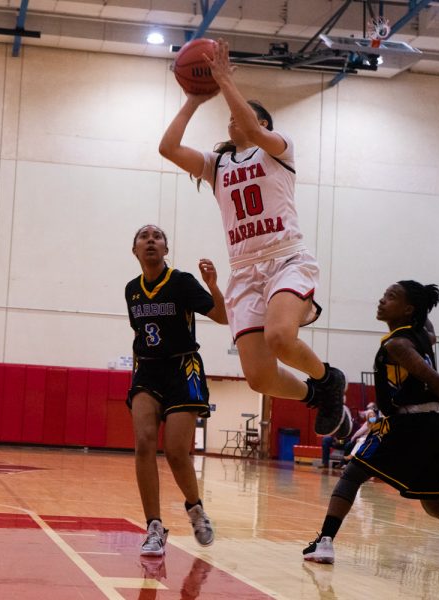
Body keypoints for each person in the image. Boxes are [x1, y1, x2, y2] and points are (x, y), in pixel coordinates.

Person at [158, 39, 350, 440]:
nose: (234, 120)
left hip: (286, 259)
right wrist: (194, 99)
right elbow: (168, 148)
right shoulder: (218, 165)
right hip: (244, 271)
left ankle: (330, 380)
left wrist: (226, 82)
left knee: (281, 337)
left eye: (244, 116)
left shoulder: (278, 151)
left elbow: (247, 123)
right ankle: (317, 396)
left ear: (264, 125)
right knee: (259, 378)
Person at [302, 281, 439, 574]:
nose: (381, 300)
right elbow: (425, 325)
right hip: (438, 425)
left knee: (353, 472)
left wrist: (434, 406)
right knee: (434, 504)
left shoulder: (398, 345)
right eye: (383, 294)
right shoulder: (422, 335)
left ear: (408, 309)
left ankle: (325, 542)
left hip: (413, 421)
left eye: (390, 297)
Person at [126, 225, 227, 556]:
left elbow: (222, 316)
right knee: (143, 443)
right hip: (149, 369)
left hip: (183, 368)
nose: (151, 240)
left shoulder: (181, 282)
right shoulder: (132, 290)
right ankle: (154, 526)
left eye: (157, 237)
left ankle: (195, 509)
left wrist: (212, 285)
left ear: (165, 250)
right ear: (135, 250)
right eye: (145, 237)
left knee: (175, 451)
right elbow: (139, 334)